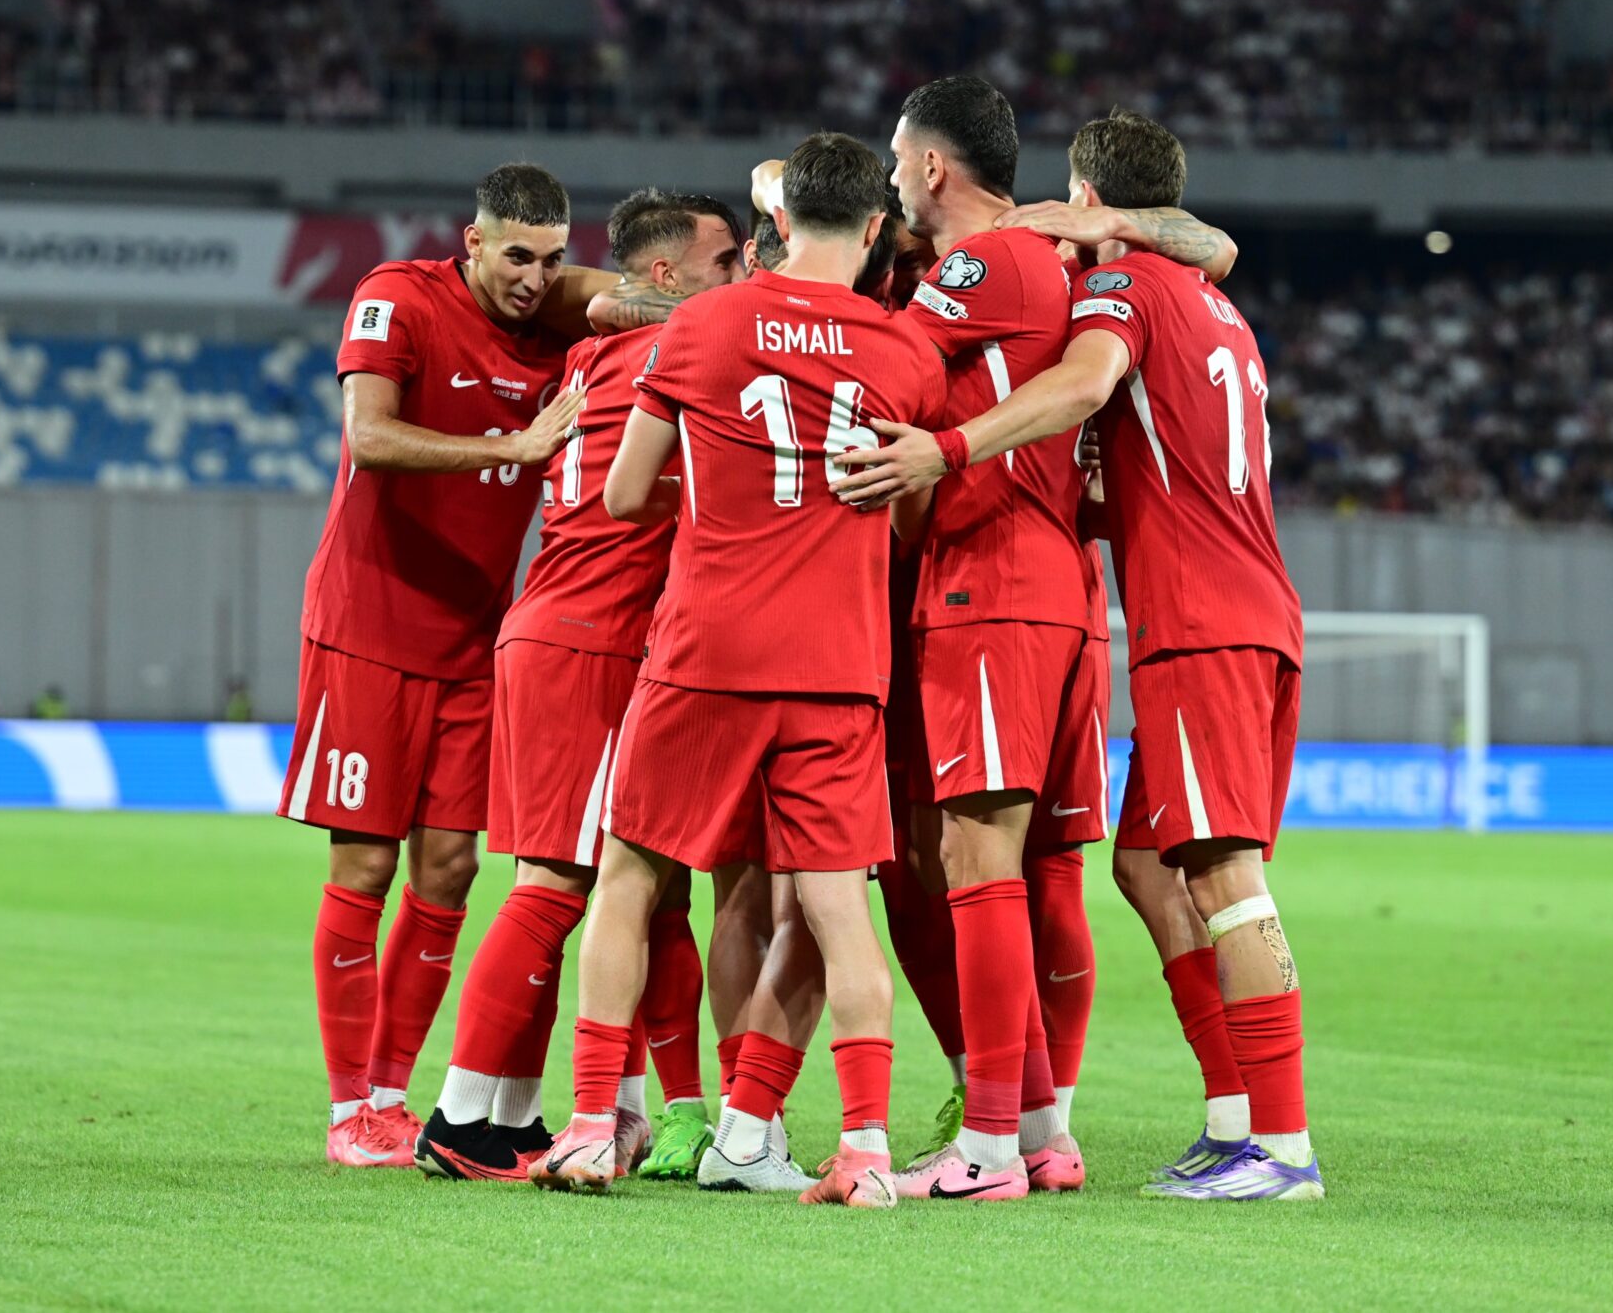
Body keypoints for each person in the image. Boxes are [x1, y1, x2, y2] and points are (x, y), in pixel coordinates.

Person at [837, 108, 1320, 1199]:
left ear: (1092, 201)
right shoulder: (1217, 303)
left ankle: (1280, 1147)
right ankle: (1234, 1115)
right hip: (1215, 605)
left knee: (1223, 879)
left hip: (1196, 618)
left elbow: (1085, 383)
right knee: (1146, 869)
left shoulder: (1124, 292)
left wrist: (946, 448)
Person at [536, 131, 945, 1208]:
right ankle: (862, 1149)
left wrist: (727, 499)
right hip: (836, 663)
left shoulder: (703, 323)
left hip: (703, 651)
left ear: (774, 227)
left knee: (628, 883)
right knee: (836, 911)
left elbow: (625, 497)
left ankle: (587, 1127)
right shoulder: (904, 352)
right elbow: (907, 511)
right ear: (870, 229)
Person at [284, 162, 641, 1170]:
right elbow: (369, 435)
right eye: (515, 255)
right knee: (365, 863)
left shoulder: (557, 316)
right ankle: (349, 1106)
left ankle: (395, 1100)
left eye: (552, 259)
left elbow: (627, 298)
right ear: (472, 242)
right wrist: (517, 446)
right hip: (366, 626)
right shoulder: (397, 296)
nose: (534, 278)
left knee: (450, 868)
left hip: (475, 642)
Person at [418, 187, 748, 1184]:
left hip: (554, 634)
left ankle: (586, 1111)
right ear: (665, 276)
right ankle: (460, 1116)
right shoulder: (673, 355)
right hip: (593, 648)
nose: (738, 278)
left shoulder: (592, 353)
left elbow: (592, 310)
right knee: (557, 885)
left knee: (641, 893)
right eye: (724, 262)